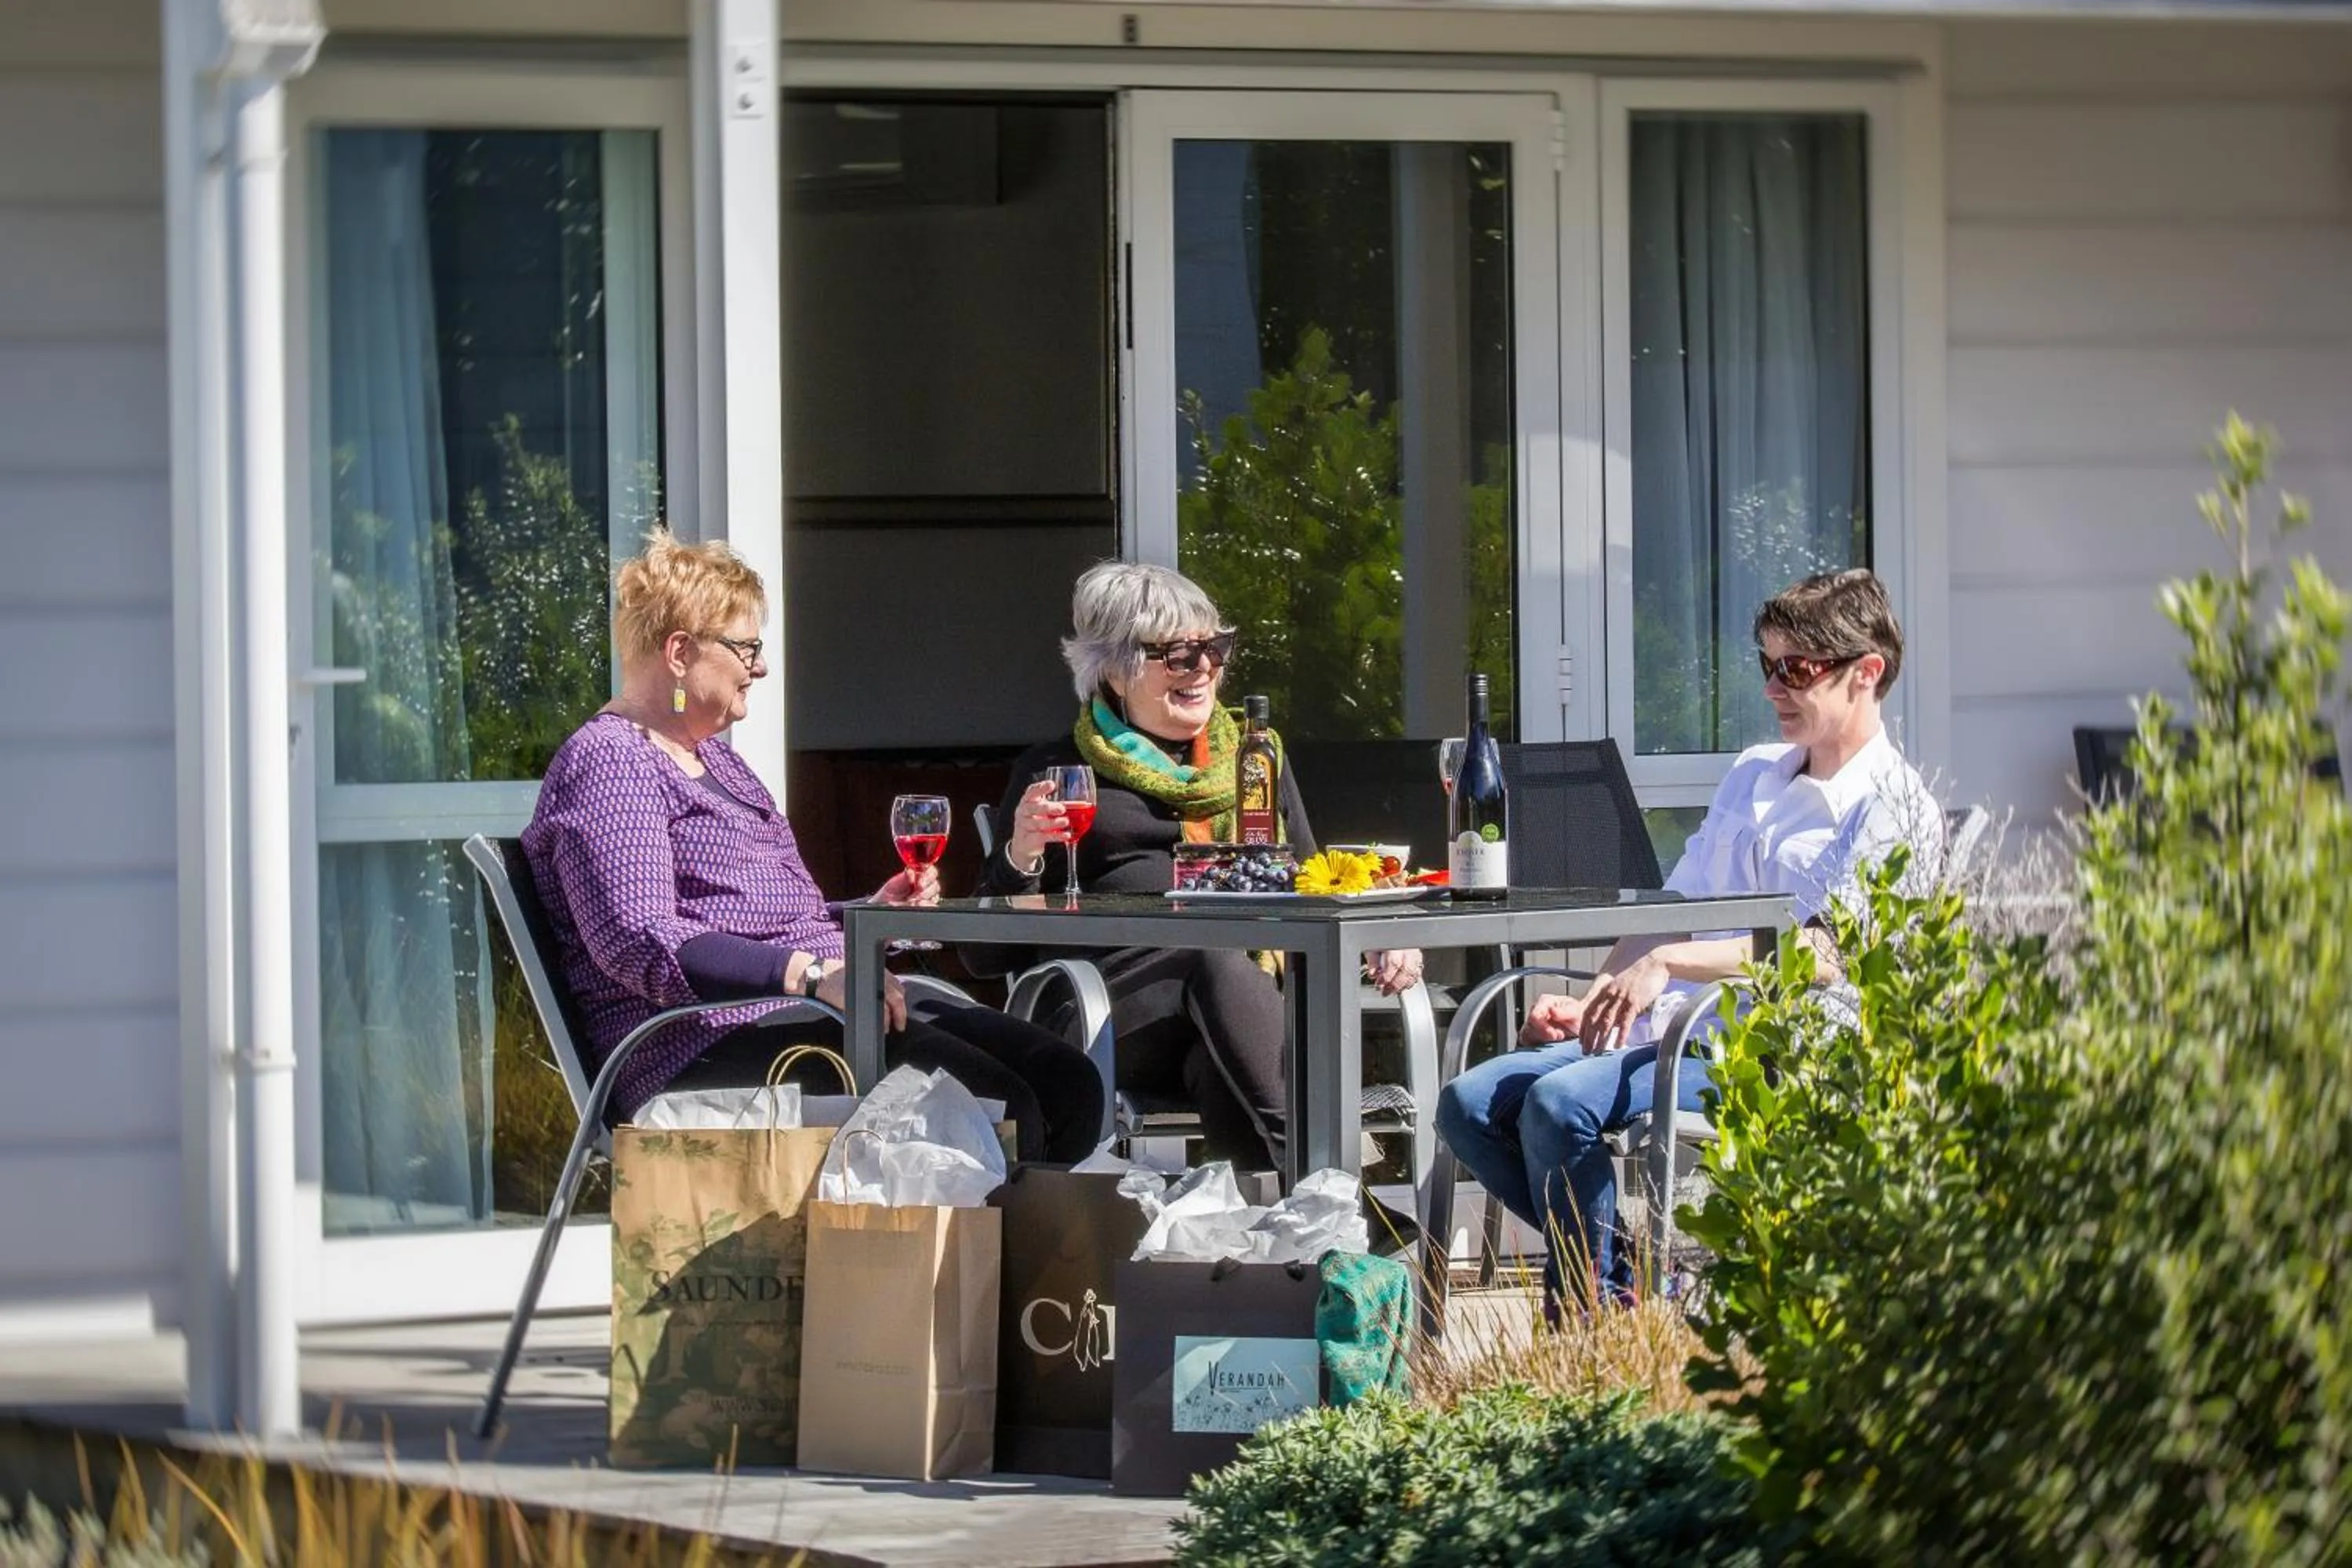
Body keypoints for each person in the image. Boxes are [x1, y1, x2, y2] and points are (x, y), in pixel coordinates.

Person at [1435, 568, 1942, 1310]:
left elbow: (1824, 956)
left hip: (1778, 1051)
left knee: (1557, 1105)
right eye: (1767, 664)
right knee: (1469, 1104)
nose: (1772, 686)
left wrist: (1668, 965)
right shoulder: (1753, 773)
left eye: (1795, 669)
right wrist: (1598, 999)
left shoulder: (1894, 806)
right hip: (1672, 1030)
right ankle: (1627, 1276)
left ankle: (1591, 1321)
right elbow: (1675, 906)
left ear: (1867, 672)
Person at [523, 532, 1102, 1162]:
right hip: (693, 1046)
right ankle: (963, 1260)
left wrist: (866, 913)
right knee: (997, 1105)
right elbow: (641, 938)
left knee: (1066, 1081)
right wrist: (811, 974)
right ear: (681, 652)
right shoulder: (611, 760)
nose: (761, 667)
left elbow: (768, 924)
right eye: (746, 648)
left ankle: (1023, 1255)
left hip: (795, 1012)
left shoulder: (715, 760)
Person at [973, 561, 1425, 1174]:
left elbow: (1317, 881)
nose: (1206, 669)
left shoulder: (1256, 758)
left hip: (1234, 1013)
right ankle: (1339, 1190)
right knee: (1210, 955)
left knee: (1222, 1058)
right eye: (1179, 656)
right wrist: (1020, 855)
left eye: (1215, 648)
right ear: (1112, 667)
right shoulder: (1056, 774)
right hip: (1104, 1014)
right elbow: (983, 959)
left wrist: (1383, 930)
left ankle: (1276, 1250)